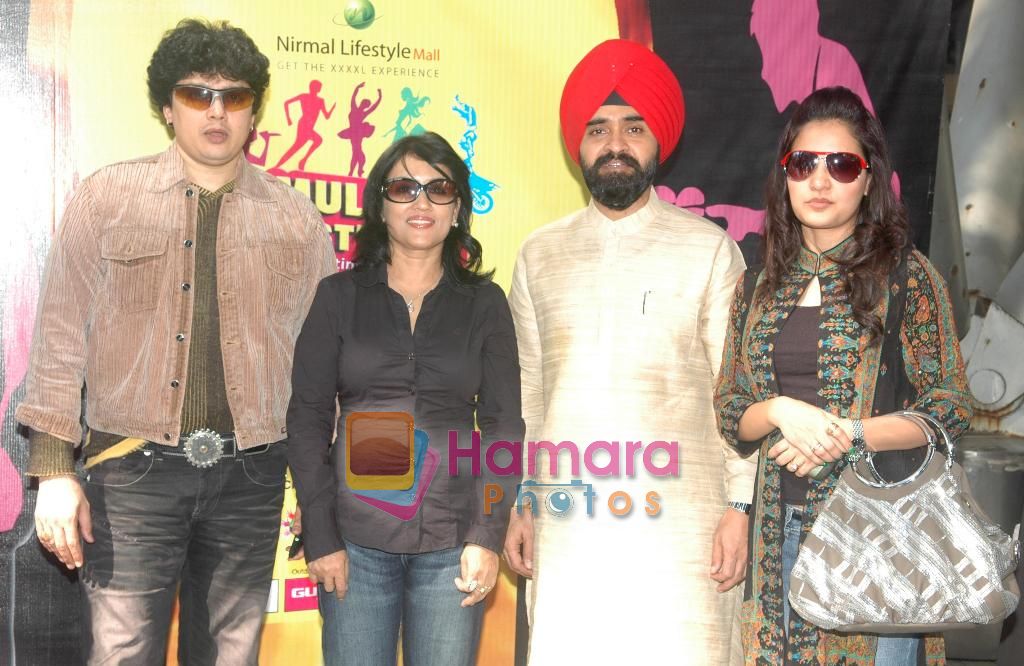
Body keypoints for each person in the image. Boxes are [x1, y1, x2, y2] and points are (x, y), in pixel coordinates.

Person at [16, 19, 335, 664]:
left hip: (253, 475)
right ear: (168, 107)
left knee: (227, 657)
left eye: (234, 96)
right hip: (132, 473)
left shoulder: (297, 219)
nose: (216, 111)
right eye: (197, 94)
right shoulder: (106, 198)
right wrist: (53, 470)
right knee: (123, 656)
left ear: (253, 111)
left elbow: (323, 364)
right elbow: (58, 338)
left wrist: (321, 487)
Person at [503, 39, 755, 665]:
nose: (615, 144)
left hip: (685, 526)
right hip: (570, 524)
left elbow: (739, 393)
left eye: (633, 127)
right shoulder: (540, 254)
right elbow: (526, 396)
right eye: (598, 129)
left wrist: (740, 505)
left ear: (656, 142)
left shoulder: (710, 251)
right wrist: (520, 500)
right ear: (578, 146)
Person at [714, 86, 973, 665]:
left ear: (869, 179)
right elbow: (732, 408)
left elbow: (951, 409)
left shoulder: (907, 277)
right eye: (803, 164)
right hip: (779, 531)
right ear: (785, 176)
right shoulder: (756, 286)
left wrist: (848, 435)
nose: (820, 181)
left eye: (842, 164)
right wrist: (781, 412)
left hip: (880, 534)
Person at [287, 131, 524, 666]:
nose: (421, 202)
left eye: (438, 189)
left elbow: (504, 427)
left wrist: (487, 535)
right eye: (404, 188)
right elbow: (306, 420)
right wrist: (322, 536)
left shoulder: (485, 304)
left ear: (458, 207)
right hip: (355, 539)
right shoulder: (337, 298)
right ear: (379, 204)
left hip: (454, 543)